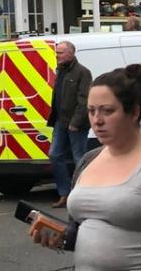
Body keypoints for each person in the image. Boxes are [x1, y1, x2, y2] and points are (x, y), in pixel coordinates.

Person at [28, 64, 141, 270]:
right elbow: (78, 231)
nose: (97, 121)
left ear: (134, 112)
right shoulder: (88, 160)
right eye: (91, 111)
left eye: (107, 111)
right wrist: (59, 237)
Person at [48, 40, 92, 208]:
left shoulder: (82, 72)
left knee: (79, 158)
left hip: (76, 123)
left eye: (60, 53)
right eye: (56, 52)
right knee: (54, 155)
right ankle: (64, 193)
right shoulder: (60, 71)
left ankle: (81, 194)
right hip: (60, 121)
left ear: (71, 53)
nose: (57, 56)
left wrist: (76, 122)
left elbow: (84, 100)